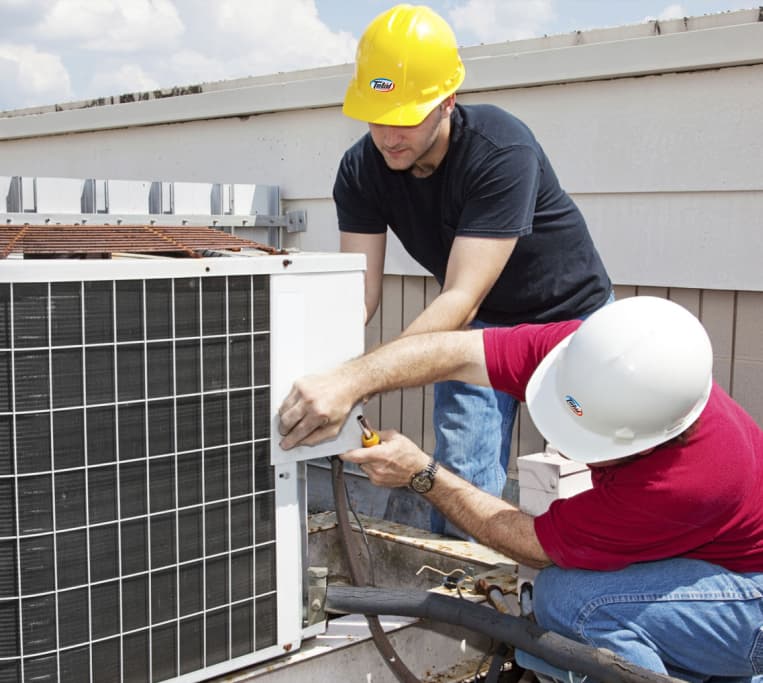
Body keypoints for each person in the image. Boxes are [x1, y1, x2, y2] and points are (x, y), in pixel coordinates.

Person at [279, 296, 763, 682]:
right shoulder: (588, 355)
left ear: (652, 440)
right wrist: (349, 379)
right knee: (564, 633)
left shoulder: (687, 480)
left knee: (572, 600)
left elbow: (536, 546)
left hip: (751, 599)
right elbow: (453, 351)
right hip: (710, 559)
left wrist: (421, 474)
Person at [333, 4, 612, 532]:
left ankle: (591, 594)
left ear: (447, 102)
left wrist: (358, 381)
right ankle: (463, 597)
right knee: (459, 473)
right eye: (378, 116)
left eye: (409, 117)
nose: (391, 135)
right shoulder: (360, 169)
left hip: (573, 320)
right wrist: (327, 369)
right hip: (481, 326)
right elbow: (359, 294)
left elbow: (461, 295)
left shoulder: (500, 148)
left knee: (601, 467)